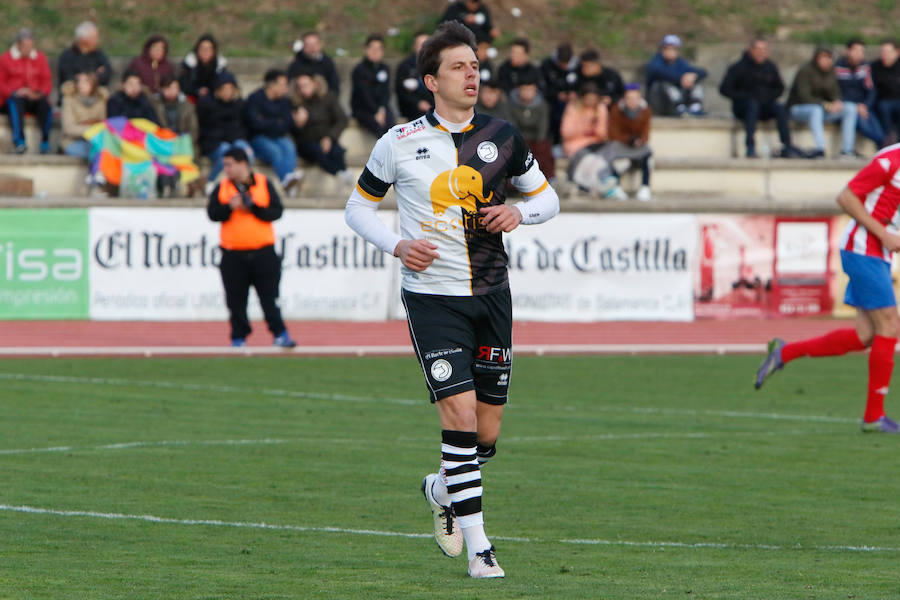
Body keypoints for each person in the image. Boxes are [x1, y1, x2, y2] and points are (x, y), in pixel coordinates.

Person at [344, 21, 559, 578]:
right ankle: (481, 547)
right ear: (430, 81)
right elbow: (357, 209)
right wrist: (396, 245)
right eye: (460, 66)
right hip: (432, 300)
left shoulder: (504, 135)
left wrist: (520, 211)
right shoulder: (399, 142)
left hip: (492, 294)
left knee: (485, 435)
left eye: (475, 65)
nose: (473, 74)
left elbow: (548, 199)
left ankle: (442, 489)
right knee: (459, 418)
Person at [755, 146, 900, 433]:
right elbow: (846, 197)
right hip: (863, 248)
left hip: (879, 253)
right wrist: (884, 234)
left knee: (865, 335)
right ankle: (873, 417)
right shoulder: (890, 161)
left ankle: (785, 353)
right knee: (890, 325)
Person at [207, 147, 296, 348]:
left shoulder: (263, 183)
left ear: (242, 163)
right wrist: (229, 207)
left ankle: (280, 333)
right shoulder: (222, 187)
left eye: (230, 164)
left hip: (263, 253)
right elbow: (213, 214)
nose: (226, 169)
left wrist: (253, 207)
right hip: (233, 254)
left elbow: (276, 212)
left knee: (270, 298)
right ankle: (238, 337)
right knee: (235, 301)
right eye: (225, 165)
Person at [719, 37, 800, 158]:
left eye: (765, 49)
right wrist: (744, 97)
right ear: (750, 50)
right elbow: (724, 89)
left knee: (780, 108)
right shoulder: (738, 67)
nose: (762, 52)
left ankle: (787, 145)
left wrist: (768, 97)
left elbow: (780, 88)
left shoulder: (770, 67)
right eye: (759, 49)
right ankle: (750, 147)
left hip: (765, 105)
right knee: (752, 106)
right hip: (743, 107)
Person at [788, 45, 858, 159]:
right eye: (823, 57)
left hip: (824, 110)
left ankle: (847, 150)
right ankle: (820, 149)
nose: (826, 61)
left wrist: (837, 102)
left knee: (850, 108)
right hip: (799, 109)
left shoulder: (831, 72)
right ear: (816, 58)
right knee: (816, 111)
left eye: (829, 58)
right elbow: (804, 96)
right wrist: (825, 105)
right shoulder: (805, 70)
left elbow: (835, 92)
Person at [560, 82, 625, 200]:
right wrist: (585, 126)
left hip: (595, 145)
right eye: (588, 98)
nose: (590, 102)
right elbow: (566, 132)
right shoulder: (573, 107)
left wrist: (597, 120)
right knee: (589, 158)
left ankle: (606, 183)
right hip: (576, 146)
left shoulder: (600, 108)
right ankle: (588, 186)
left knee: (610, 151)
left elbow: (602, 134)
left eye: (593, 99)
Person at [244, 68, 303, 194]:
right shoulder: (255, 99)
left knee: (289, 146)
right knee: (274, 151)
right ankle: (288, 181)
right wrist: (277, 122)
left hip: (278, 137)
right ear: (271, 84)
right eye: (282, 84)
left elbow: (287, 123)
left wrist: (268, 121)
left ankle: (288, 180)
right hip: (258, 138)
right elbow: (255, 124)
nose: (285, 88)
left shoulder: (285, 101)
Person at [290, 72, 354, 186]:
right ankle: (339, 173)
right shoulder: (295, 104)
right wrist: (298, 123)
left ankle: (343, 172)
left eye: (306, 85)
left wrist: (329, 137)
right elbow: (292, 131)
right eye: (300, 87)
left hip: (326, 137)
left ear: (314, 84)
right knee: (318, 151)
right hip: (306, 142)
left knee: (336, 151)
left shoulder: (328, 98)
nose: (303, 89)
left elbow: (341, 119)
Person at [0, 29, 52, 154]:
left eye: (30, 46)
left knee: (46, 106)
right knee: (15, 104)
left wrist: (39, 93)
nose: (28, 49)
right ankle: (19, 141)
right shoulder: (5, 59)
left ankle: (45, 141)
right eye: (25, 46)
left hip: (34, 95)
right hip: (13, 97)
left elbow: (47, 81)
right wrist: (14, 92)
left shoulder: (40, 58)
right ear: (18, 45)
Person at [196, 71, 252, 188]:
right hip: (214, 143)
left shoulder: (239, 104)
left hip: (235, 140)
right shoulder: (206, 104)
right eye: (224, 89)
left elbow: (243, 127)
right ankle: (210, 182)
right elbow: (205, 130)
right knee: (226, 154)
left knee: (247, 153)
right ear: (217, 90)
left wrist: (237, 139)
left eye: (230, 89)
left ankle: (245, 184)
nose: (227, 92)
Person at [151, 74, 200, 196]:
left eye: (175, 88)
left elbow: (193, 129)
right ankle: (164, 185)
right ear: (162, 89)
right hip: (161, 143)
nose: (172, 92)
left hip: (182, 143)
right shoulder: (154, 104)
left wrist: (181, 141)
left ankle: (183, 186)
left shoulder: (187, 106)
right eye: (168, 88)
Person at [836, 38, 884, 148]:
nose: (859, 54)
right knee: (862, 123)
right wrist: (853, 105)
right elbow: (835, 91)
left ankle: (883, 146)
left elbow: (871, 90)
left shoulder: (864, 67)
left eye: (861, 51)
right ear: (847, 51)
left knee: (879, 132)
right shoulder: (837, 68)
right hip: (847, 106)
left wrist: (865, 106)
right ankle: (848, 150)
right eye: (856, 51)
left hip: (863, 107)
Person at [609, 83, 653, 202]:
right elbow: (614, 133)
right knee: (616, 157)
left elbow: (646, 132)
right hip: (622, 145)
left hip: (638, 146)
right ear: (624, 99)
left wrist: (640, 140)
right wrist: (628, 139)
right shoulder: (616, 110)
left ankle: (645, 186)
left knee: (648, 155)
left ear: (640, 99)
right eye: (629, 98)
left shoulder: (646, 111)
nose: (632, 101)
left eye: (635, 98)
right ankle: (616, 187)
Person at [645, 34, 707, 117]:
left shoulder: (680, 62)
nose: (671, 51)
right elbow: (660, 73)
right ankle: (678, 107)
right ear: (661, 49)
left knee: (695, 82)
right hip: (661, 102)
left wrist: (692, 76)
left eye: (674, 49)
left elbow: (702, 72)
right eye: (667, 48)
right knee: (665, 84)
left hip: (681, 96)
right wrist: (681, 78)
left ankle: (695, 107)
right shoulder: (656, 61)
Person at [508, 71, 554, 181]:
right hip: (519, 139)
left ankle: (546, 179)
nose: (527, 93)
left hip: (536, 140)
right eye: (525, 89)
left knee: (544, 147)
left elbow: (543, 128)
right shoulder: (511, 104)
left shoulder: (542, 105)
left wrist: (538, 140)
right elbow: (511, 125)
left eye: (530, 89)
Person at [351, 34, 395, 138]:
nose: (375, 52)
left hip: (381, 107)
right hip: (364, 108)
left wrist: (382, 108)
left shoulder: (385, 68)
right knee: (379, 128)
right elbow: (363, 94)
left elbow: (386, 91)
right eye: (372, 48)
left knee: (392, 127)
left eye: (379, 48)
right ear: (366, 49)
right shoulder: (359, 70)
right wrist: (376, 111)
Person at [57, 21, 112, 101]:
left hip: (94, 93)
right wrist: (92, 77)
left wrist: (87, 79)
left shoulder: (99, 54)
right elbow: (68, 77)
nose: (97, 40)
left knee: (104, 93)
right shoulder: (68, 56)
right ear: (83, 39)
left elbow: (107, 72)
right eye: (94, 37)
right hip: (75, 93)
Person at [60, 72, 108, 159]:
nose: (80, 84)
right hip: (73, 141)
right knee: (97, 153)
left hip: (95, 140)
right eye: (79, 81)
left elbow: (103, 124)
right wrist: (92, 130)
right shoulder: (69, 99)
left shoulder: (101, 100)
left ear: (93, 84)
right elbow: (68, 128)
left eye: (85, 82)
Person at [540, 42, 577, 146]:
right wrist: (557, 95)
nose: (564, 66)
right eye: (562, 63)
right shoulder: (547, 65)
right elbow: (542, 87)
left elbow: (580, 84)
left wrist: (573, 94)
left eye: (566, 63)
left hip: (571, 102)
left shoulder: (577, 66)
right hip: (551, 100)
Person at [288, 32, 341, 97]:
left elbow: (334, 85)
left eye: (315, 44)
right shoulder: (296, 64)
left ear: (321, 44)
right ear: (303, 46)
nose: (312, 48)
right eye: (308, 45)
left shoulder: (327, 62)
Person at [395, 32, 434, 122]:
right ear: (414, 46)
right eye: (420, 45)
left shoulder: (436, 65)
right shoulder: (405, 66)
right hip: (412, 109)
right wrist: (417, 103)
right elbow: (401, 91)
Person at [178, 33, 227, 101]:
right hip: (192, 97)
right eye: (202, 49)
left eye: (208, 49)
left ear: (214, 51)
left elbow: (223, 84)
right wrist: (197, 90)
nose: (205, 52)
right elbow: (184, 84)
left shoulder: (219, 65)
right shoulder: (190, 63)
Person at [871, 40, 900, 146]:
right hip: (882, 101)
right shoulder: (875, 66)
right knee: (884, 108)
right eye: (883, 52)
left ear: (897, 52)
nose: (885, 55)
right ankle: (887, 143)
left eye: (888, 52)